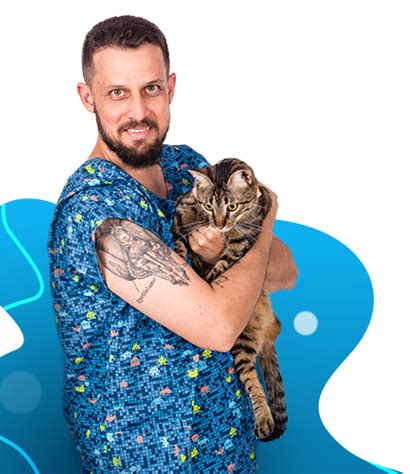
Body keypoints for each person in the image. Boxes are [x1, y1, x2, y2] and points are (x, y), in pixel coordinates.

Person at [47, 15, 298, 473]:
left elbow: (286, 272)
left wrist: (249, 231)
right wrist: (266, 211)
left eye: (151, 88)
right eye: (117, 93)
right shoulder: (96, 212)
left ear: (171, 87)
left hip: (227, 453)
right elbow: (219, 326)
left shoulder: (188, 169)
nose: (138, 111)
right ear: (87, 97)